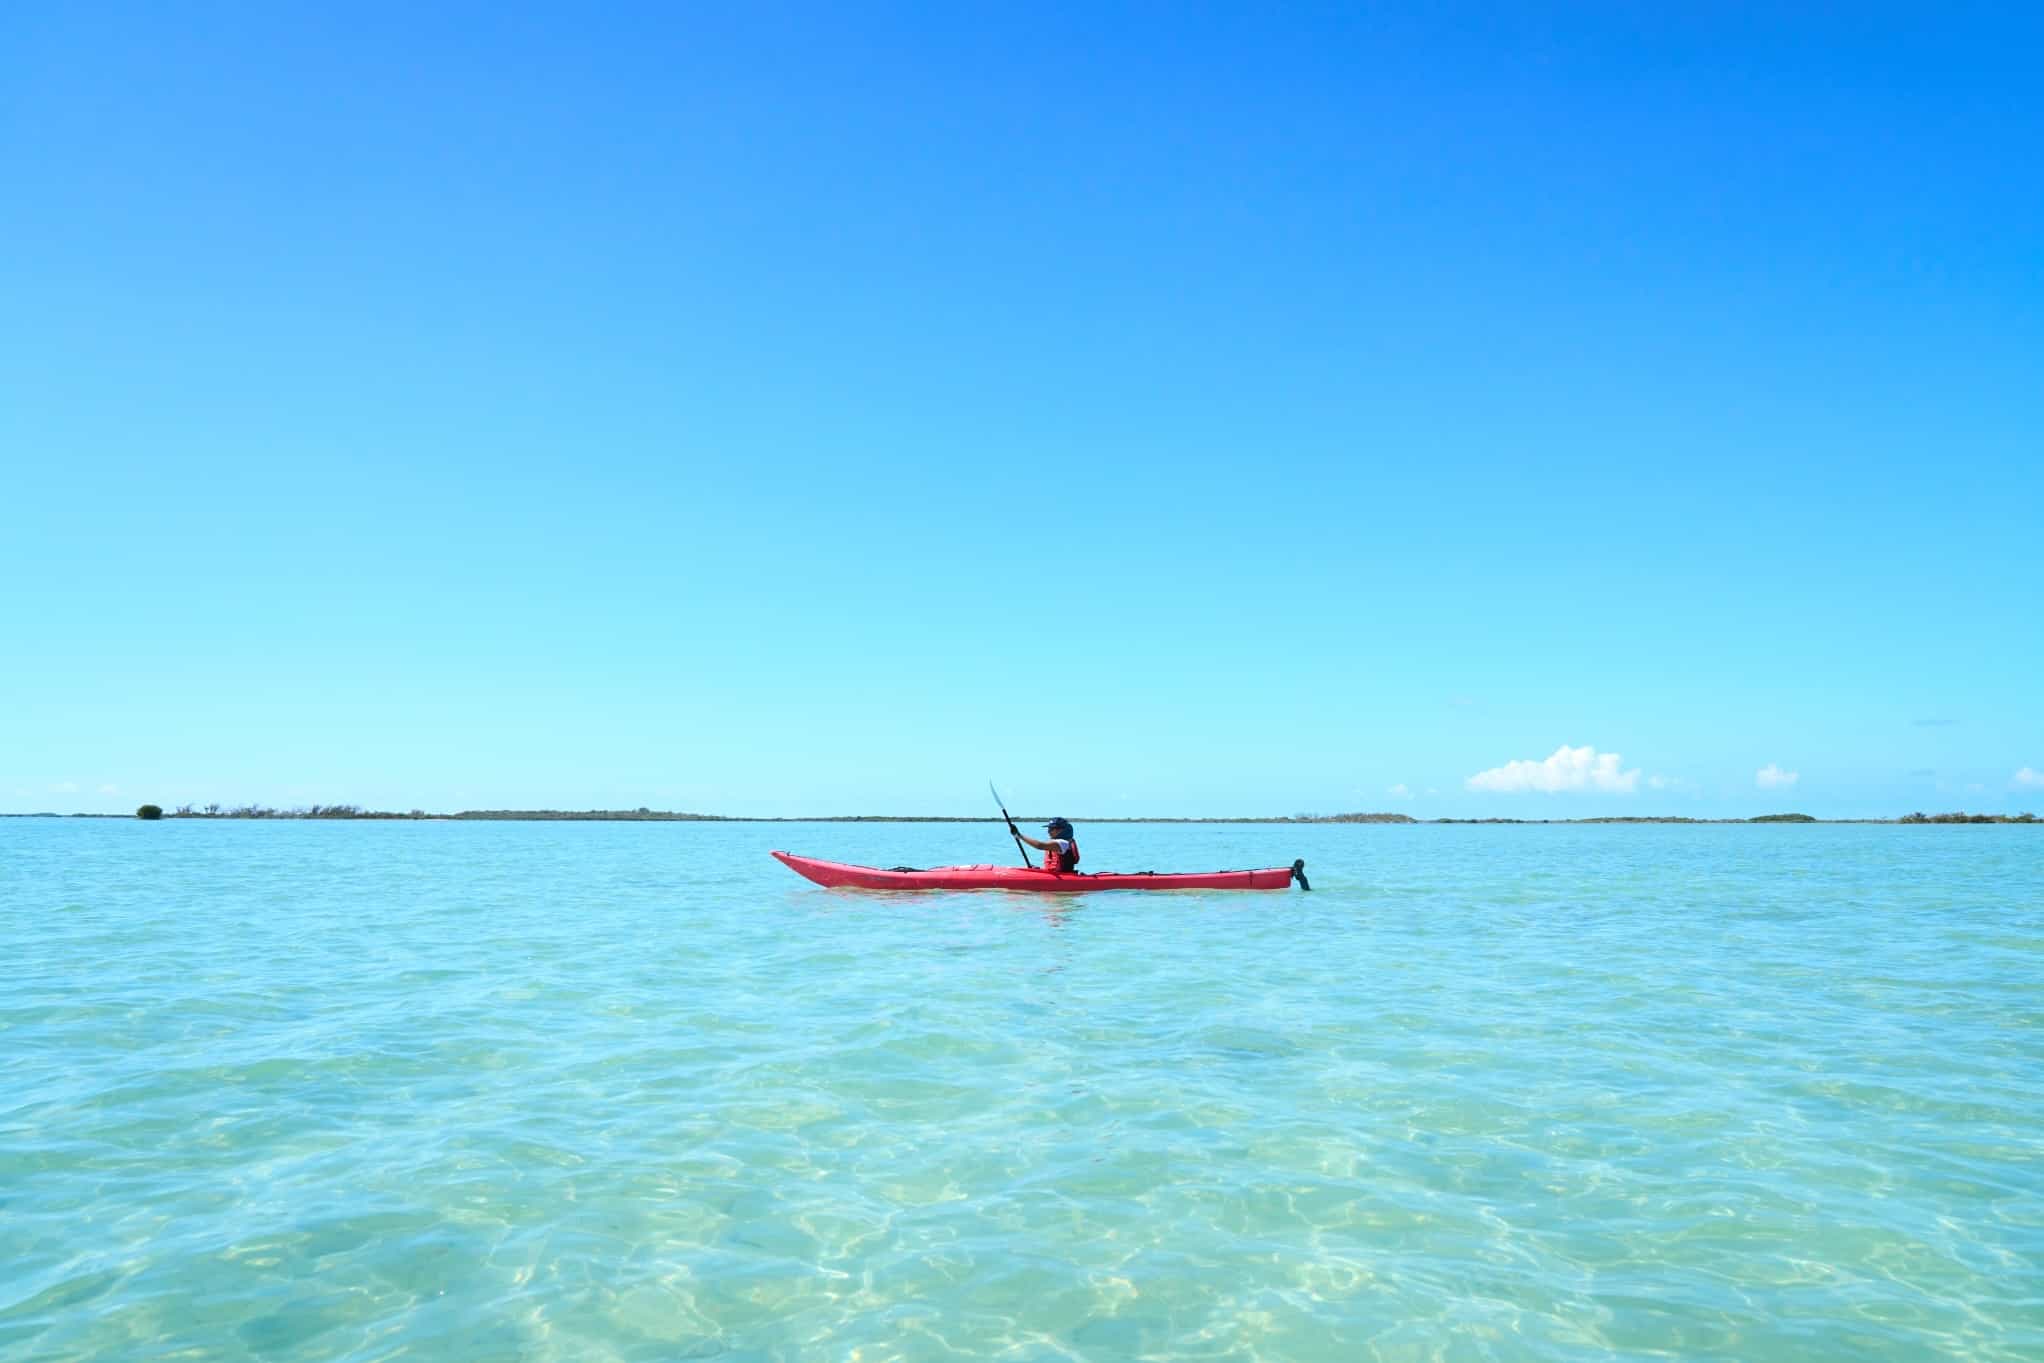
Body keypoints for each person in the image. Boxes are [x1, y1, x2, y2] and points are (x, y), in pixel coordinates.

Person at [1010, 816, 1080, 873]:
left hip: (1064, 877)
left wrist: (1019, 835)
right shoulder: (1057, 842)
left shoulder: (1063, 843)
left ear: (1061, 830)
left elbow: (1039, 845)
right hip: (1054, 874)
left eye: (1052, 829)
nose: (1048, 831)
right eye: (1049, 828)